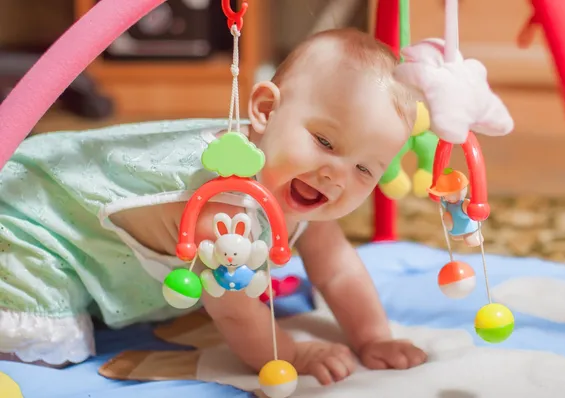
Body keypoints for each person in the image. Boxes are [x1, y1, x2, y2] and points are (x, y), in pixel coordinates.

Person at [0, 28, 427, 385]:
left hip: (101, 250)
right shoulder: (225, 206)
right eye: (325, 142)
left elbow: (337, 268)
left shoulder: (299, 185)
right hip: (40, 226)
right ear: (264, 111)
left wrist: (373, 336)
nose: (336, 174)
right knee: (43, 353)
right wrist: (292, 352)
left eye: (364, 170)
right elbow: (235, 312)